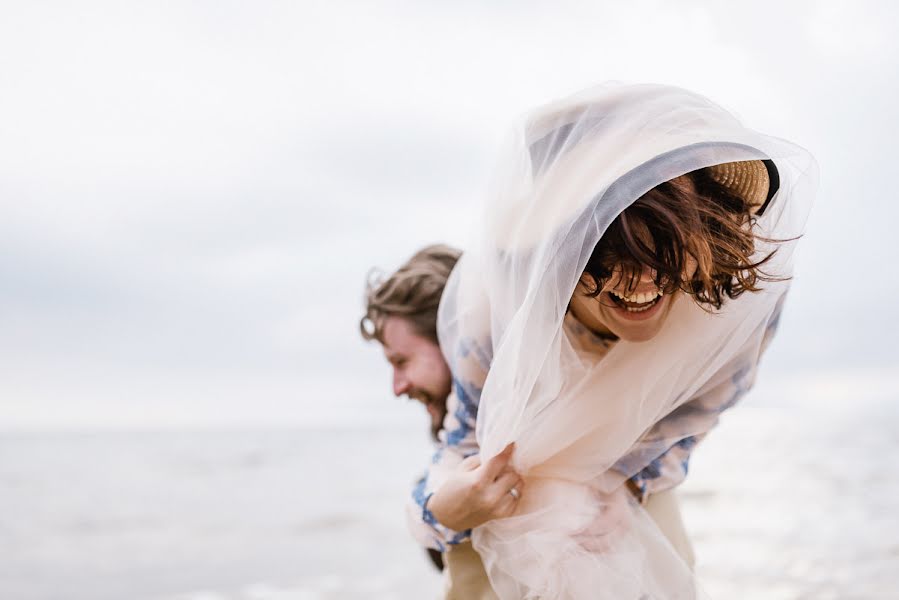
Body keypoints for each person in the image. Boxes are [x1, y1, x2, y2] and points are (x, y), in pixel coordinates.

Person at [422, 83, 816, 598]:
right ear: (561, 246)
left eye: (669, 251)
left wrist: (631, 481)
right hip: (501, 511)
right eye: (610, 255)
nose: (642, 282)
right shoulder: (494, 311)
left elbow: (691, 416)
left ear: (709, 229)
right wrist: (444, 510)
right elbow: (463, 444)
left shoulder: (739, 313)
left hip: (635, 480)